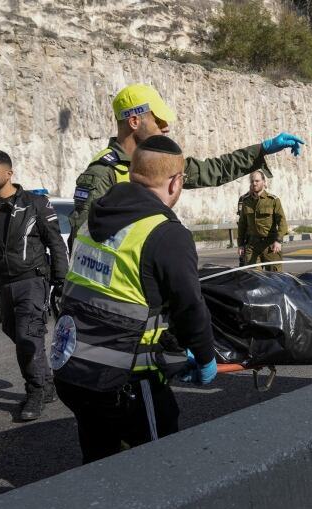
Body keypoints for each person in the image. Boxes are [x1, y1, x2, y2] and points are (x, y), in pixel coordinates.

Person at [52, 135, 218, 463]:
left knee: (100, 463)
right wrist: (204, 356)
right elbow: (190, 307)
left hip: (74, 369)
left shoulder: (93, 218)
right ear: (175, 182)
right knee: (153, 472)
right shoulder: (165, 233)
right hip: (126, 383)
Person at [68, 83, 304, 249]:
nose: (166, 127)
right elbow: (82, 243)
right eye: (158, 120)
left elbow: (215, 170)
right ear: (134, 121)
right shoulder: (102, 174)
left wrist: (262, 149)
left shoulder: (163, 164)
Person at [0, 150, 68, 421]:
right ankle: (47, 381)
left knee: (28, 336)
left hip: (32, 280)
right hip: (3, 283)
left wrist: (61, 280)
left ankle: (35, 390)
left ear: (9, 173)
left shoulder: (35, 203)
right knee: (15, 333)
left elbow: (55, 243)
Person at [237, 170, 288, 272]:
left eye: (257, 181)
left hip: (270, 246)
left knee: (275, 279)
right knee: (254, 279)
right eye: (252, 181)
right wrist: (240, 245)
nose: (254, 183)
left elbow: (282, 221)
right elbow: (242, 224)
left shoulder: (273, 200)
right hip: (252, 246)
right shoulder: (246, 201)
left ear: (264, 182)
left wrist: (278, 240)